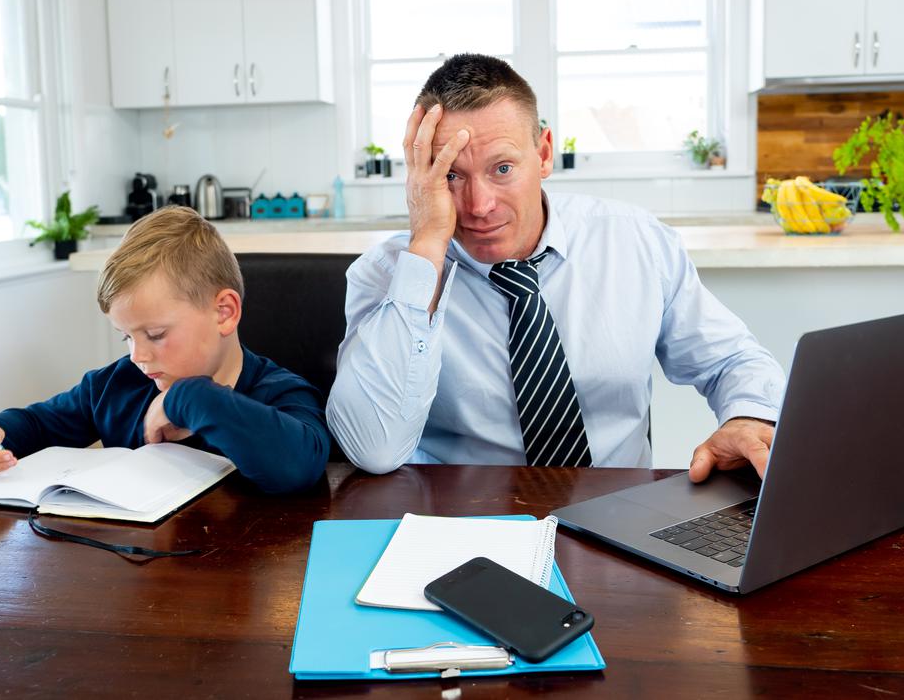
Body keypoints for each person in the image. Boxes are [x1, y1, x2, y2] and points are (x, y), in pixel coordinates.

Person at [327, 53, 785, 480]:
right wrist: (427, 245)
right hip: (461, 523)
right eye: (450, 174)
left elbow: (730, 360)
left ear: (544, 153)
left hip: (618, 515)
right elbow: (374, 448)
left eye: (502, 168)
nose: (479, 205)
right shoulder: (390, 274)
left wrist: (749, 417)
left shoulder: (635, 242)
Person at [0, 206, 330, 492]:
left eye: (156, 334)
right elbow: (37, 424)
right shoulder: (116, 386)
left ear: (224, 313)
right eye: (127, 337)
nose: (137, 356)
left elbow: (297, 467)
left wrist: (185, 397)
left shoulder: (279, 392)